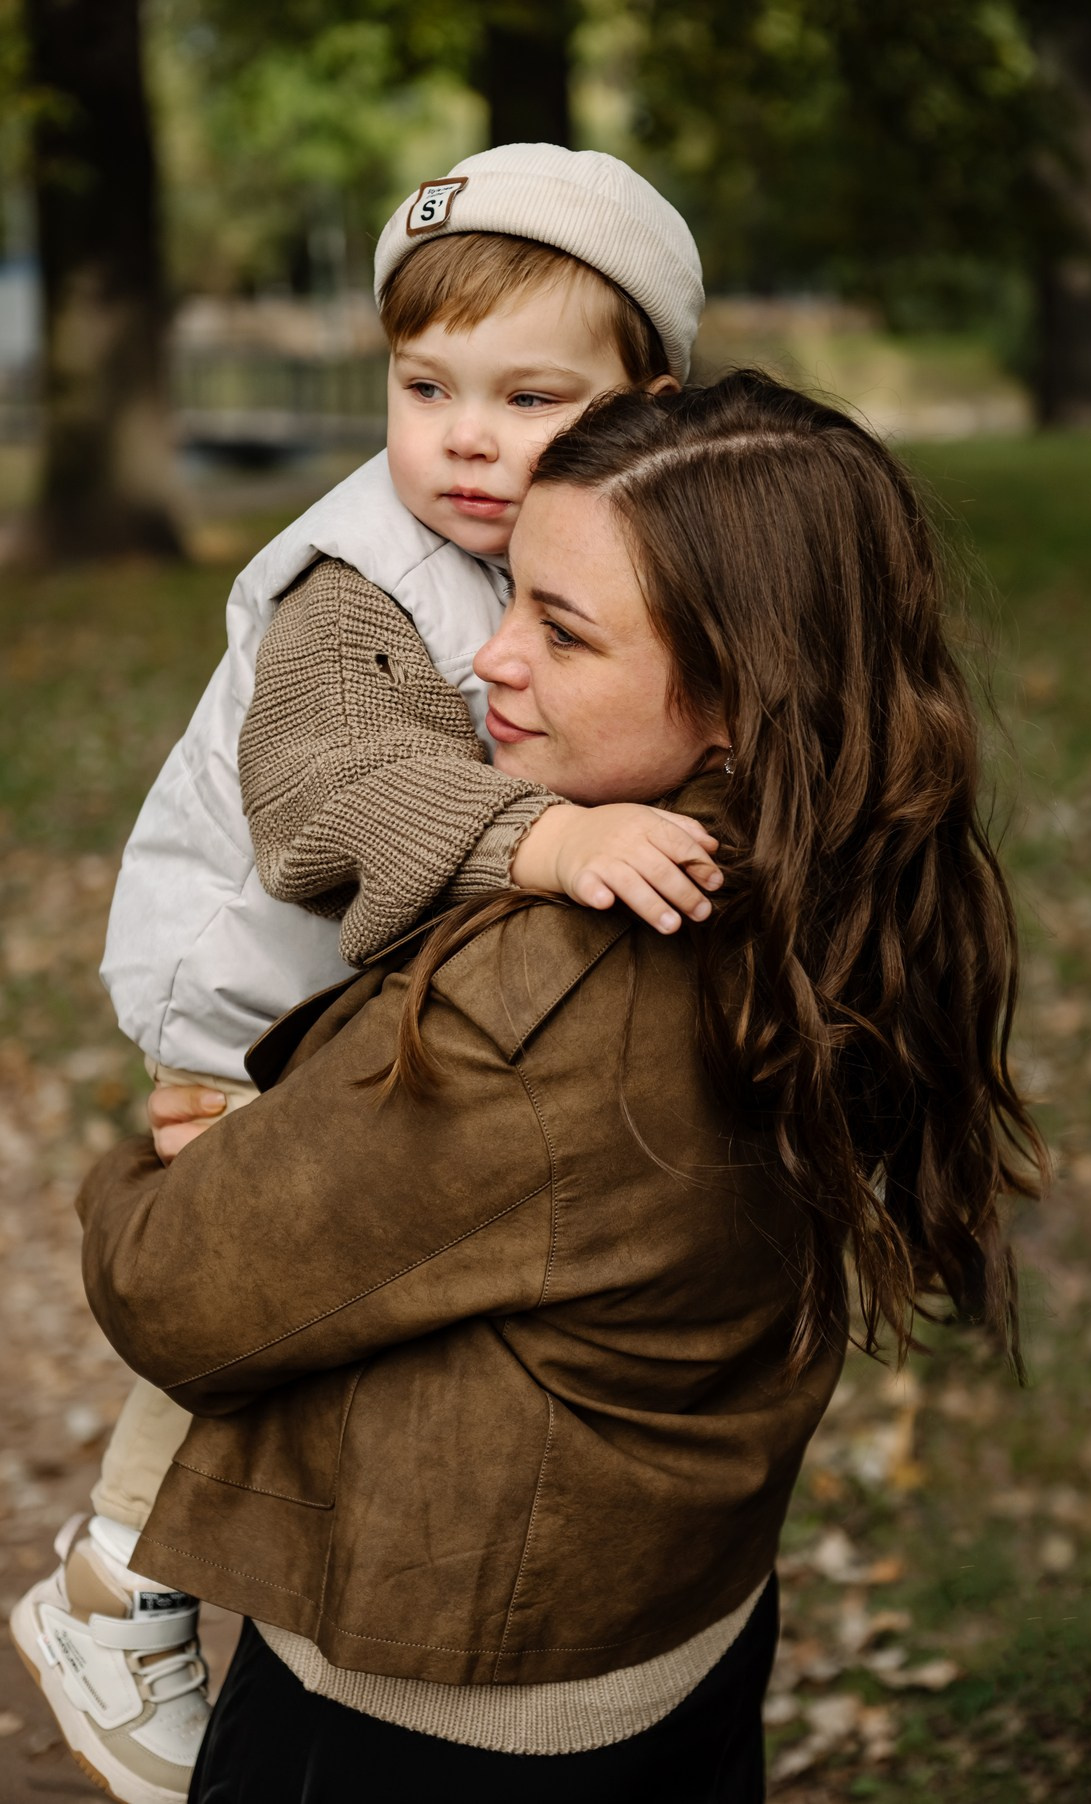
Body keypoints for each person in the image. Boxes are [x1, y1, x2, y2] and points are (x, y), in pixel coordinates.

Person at [72, 373, 1045, 1802]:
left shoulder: (557, 994)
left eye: (564, 630)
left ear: (743, 698)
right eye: (509, 595)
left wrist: (176, 1156)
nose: (488, 661)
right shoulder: (837, 874)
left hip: (436, 1720)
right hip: (682, 1627)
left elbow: (173, 1291)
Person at [10, 144, 723, 1804]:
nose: (464, 439)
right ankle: (114, 1584)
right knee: (274, 1282)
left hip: (360, 981)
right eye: (424, 387)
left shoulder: (585, 541)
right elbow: (332, 792)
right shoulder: (360, 581)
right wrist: (548, 840)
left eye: (531, 396)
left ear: (648, 413)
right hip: (250, 996)